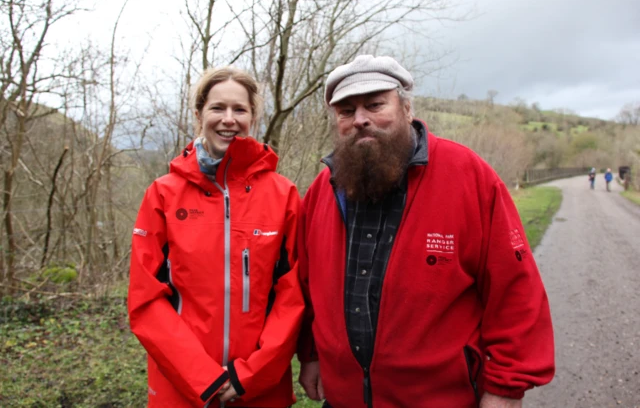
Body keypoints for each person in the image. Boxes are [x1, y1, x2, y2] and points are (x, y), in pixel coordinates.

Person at [296, 55, 555, 408]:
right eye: (346, 111)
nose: (360, 120)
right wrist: (310, 354)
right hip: (345, 399)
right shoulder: (322, 191)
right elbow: (308, 286)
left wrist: (506, 388)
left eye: (375, 105)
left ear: (406, 108)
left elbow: (515, 289)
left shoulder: (468, 177)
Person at [128, 66, 304, 408]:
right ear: (198, 115)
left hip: (260, 388)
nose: (229, 119)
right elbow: (145, 299)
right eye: (217, 108)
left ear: (253, 116)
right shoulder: (163, 195)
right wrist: (203, 378)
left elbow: (293, 294)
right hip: (181, 387)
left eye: (240, 109)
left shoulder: (283, 195)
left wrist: (248, 376)